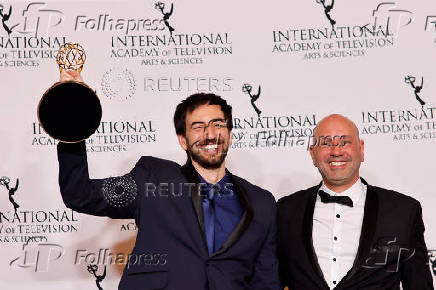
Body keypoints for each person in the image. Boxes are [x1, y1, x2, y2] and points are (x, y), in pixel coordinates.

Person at [57, 71, 280, 290]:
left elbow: (266, 281)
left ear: (230, 135)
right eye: (198, 127)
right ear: (183, 140)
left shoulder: (262, 203)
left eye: (218, 124)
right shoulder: (152, 180)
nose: (210, 134)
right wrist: (73, 110)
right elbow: (80, 193)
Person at [277, 114, 433, 289]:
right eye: (326, 143)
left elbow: (419, 284)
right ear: (313, 154)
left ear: (361, 149)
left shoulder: (403, 211)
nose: (336, 151)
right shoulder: (285, 211)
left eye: (345, 142)